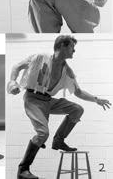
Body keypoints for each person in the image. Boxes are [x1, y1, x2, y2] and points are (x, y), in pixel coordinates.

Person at [7, 35, 111, 179]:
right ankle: (23, 170)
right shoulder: (39, 57)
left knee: (77, 109)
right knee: (42, 133)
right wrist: (13, 82)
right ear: (63, 45)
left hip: (49, 100)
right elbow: (17, 66)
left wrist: (96, 99)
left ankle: (59, 140)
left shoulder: (67, 70)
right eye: (72, 47)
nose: (74, 51)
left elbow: (78, 92)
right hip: (33, 99)